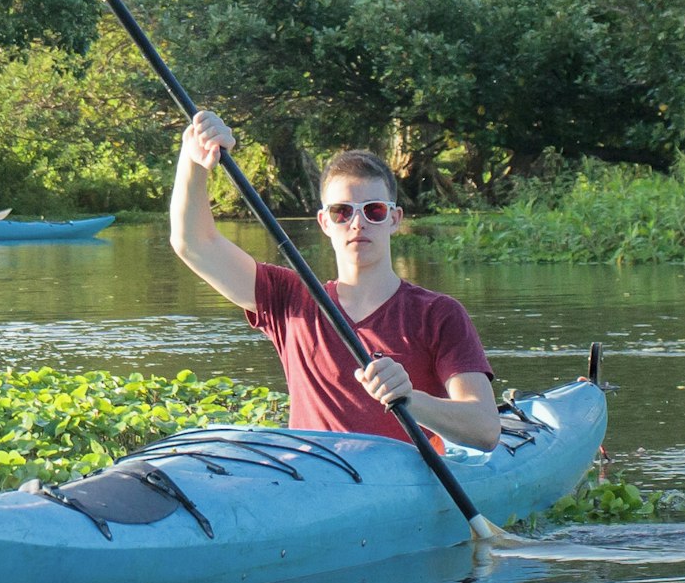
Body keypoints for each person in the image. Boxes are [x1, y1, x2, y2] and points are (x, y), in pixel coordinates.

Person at [167, 110, 496, 449]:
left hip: (402, 485)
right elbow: (194, 244)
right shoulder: (289, 299)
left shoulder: (439, 314)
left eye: (374, 210)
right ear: (325, 222)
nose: (357, 223)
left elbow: (485, 429)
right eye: (342, 212)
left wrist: (410, 398)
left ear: (395, 219)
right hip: (316, 479)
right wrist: (193, 159)